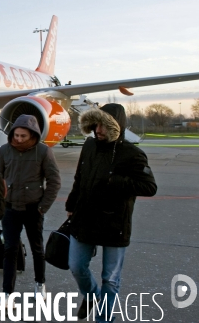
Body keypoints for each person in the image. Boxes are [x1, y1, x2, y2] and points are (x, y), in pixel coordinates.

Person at [65, 104, 157, 322]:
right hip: (85, 217)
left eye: (104, 126)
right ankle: (91, 296)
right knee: (76, 266)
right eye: (96, 124)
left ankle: (103, 319)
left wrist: (116, 181)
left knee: (111, 279)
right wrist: (70, 204)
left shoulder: (133, 154)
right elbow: (80, 177)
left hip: (115, 222)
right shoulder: (89, 145)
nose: (98, 130)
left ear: (116, 127)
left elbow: (150, 187)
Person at [0, 114, 61, 301]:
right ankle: (7, 292)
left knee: (37, 249)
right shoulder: (4, 150)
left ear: (32, 135)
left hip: (33, 209)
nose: (19, 139)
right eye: (16, 135)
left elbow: (54, 181)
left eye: (23, 136)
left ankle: (40, 283)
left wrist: (42, 207)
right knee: (10, 249)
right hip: (10, 209)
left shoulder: (43, 151)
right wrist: (0, 202)